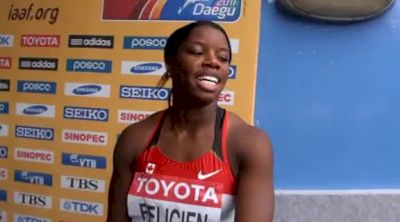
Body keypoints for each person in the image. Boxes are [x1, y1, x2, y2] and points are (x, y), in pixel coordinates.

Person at [107, 20, 274, 222]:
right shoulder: (135, 138)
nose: (214, 62)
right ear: (171, 62)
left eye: (223, 58)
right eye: (197, 52)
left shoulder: (249, 143)